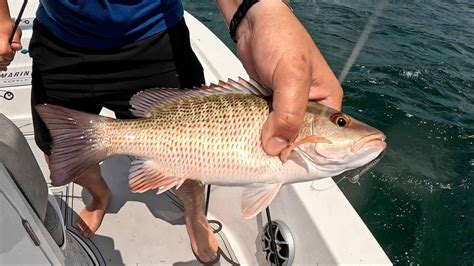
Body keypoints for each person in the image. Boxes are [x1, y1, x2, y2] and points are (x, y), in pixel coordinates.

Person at [0, 0, 343, 263]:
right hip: (61, 39)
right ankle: (99, 192)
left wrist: (257, 12)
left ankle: (193, 213)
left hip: (155, 37)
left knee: (191, 146)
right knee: (59, 147)